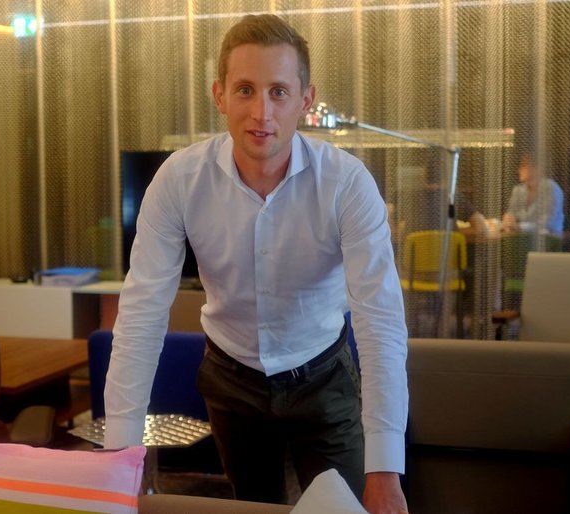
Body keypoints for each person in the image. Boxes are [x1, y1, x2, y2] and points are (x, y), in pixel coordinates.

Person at [103, 14, 409, 513]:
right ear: (219, 95)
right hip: (231, 379)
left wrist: (385, 469)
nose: (261, 113)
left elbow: (381, 323)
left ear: (305, 100)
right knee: (253, 507)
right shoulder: (179, 180)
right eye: (245, 90)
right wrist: (120, 453)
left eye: (278, 92)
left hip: (323, 374)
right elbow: (141, 312)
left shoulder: (347, 184)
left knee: (349, 506)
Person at [501, 153, 564, 237]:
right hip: (521, 237)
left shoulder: (551, 188)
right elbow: (512, 213)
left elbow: (548, 223)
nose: (519, 170)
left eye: (523, 165)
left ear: (537, 168)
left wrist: (520, 227)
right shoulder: (518, 190)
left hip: (548, 239)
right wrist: (508, 219)